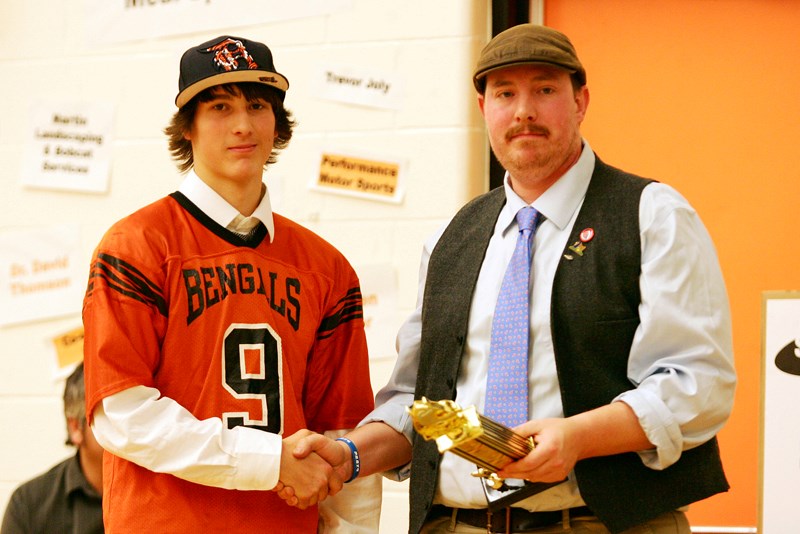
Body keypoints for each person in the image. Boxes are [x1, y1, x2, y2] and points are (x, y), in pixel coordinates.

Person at [281, 23, 737, 534]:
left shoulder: (651, 216)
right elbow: (421, 403)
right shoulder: (452, 238)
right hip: (453, 525)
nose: (524, 110)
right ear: (484, 110)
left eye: (544, 89)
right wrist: (350, 454)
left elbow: (698, 385)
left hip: (600, 524)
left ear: (581, 100)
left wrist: (579, 437)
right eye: (505, 93)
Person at [81, 35, 379, 533]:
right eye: (220, 106)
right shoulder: (134, 246)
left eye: (258, 106)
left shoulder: (327, 269)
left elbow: (343, 429)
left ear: (277, 124)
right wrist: (267, 460)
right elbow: (122, 415)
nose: (243, 124)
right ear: (188, 127)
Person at [1, 362, 104, 534]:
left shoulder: (157, 490)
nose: (125, 428)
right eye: (109, 416)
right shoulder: (28, 505)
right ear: (75, 428)